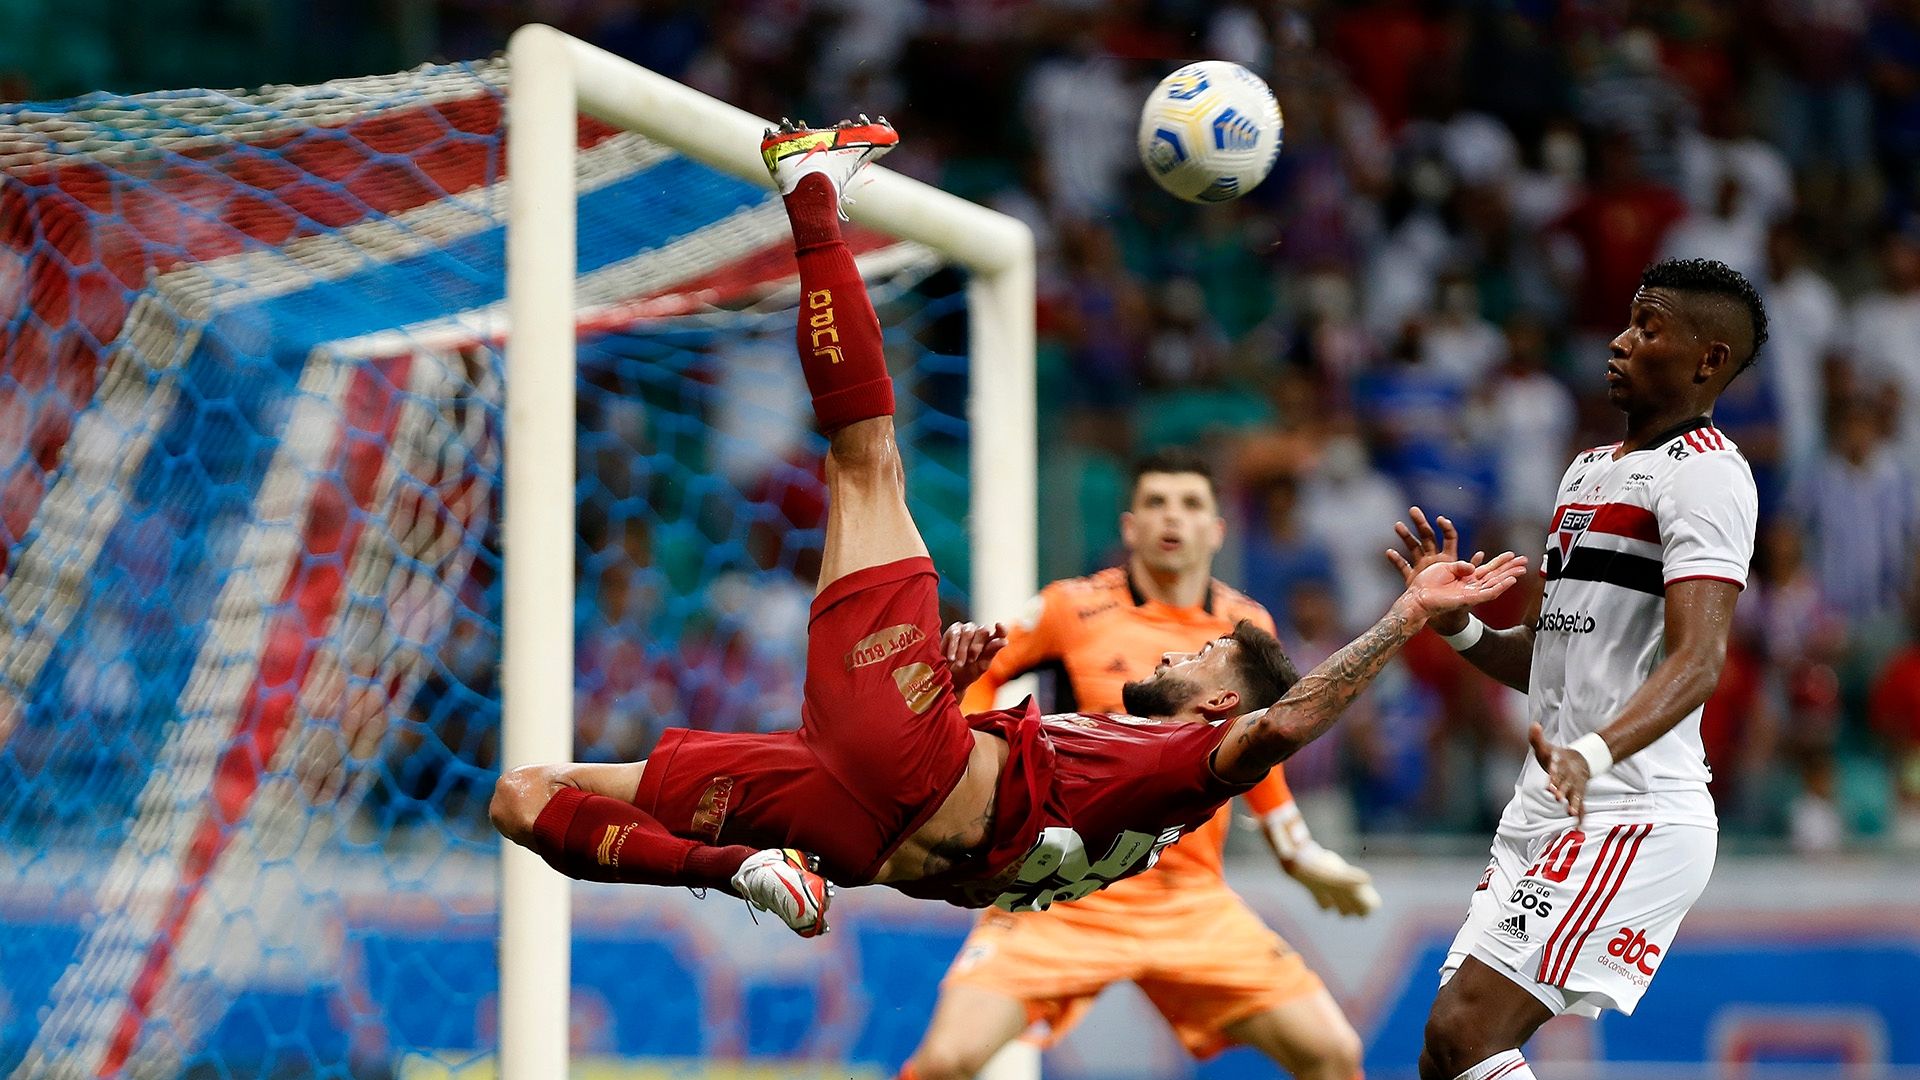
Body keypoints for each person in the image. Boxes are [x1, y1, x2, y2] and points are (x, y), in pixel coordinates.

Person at [488, 117, 1527, 938]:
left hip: (899, 766)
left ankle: (810, 190)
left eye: (1204, 649)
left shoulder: (1178, 760)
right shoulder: (1124, 824)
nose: (1188, 645)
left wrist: (1407, 616)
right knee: (526, 795)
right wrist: (938, 687)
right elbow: (955, 862)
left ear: (1217, 703)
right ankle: (744, 871)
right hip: (859, 828)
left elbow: (1289, 723)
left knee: (867, 464)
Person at [1399, 258, 1767, 1080]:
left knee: (1468, 1034)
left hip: (1629, 809)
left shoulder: (1707, 474)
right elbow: (1550, 658)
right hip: (1548, 804)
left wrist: (1591, 754)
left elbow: (1699, 660)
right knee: (1446, 1056)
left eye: (1648, 327)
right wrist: (1457, 625)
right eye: (1628, 321)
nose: (1619, 340)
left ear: (1709, 360)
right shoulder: (1587, 471)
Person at [905, 449, 1373, 1080]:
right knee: (946, 1062)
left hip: (1189, 902)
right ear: (1129, 527)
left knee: (1333, 1054)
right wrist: (976, 779)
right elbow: (981, 672)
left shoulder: (1246, 625)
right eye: (1155, 502)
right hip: (1065, 895)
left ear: (1216, 529)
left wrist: (1296, 849)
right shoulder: (1071, 608)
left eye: (1189, 503)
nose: (1170, 517)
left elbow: (1258, 750)